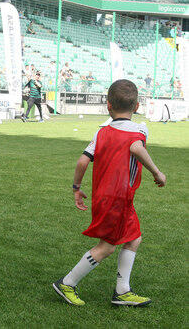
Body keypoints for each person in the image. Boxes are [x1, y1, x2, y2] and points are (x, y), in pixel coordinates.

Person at [53, 79, 166, 306]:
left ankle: (122, 291)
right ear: (136, 107)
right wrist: (156, 172)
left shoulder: (102, 132)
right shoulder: (139, 129)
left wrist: (76, 188)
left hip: (109, 197)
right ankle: (67, 283)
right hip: (117, 199)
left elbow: (83, 161)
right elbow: (136, 147)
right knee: (106, 247)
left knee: (134, 238)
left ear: (108, 105)